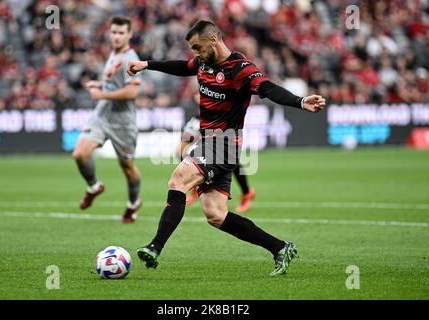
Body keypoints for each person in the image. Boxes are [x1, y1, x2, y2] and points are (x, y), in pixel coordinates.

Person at [127, 20, 326, 275]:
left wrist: (300, 101)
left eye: (197, 47)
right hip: (214, 144)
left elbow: (267, 88)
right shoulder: (203, 62)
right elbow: (182, 67)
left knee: (178, 179)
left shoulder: (240, 68)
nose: (195, 54)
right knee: (216, 214)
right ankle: (280, 248)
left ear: (213, 40)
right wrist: (147, 64)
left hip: (222, 143)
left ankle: (154, 247)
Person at [72, 16, 142, 224]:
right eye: (114, 32)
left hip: (123, 122)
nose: (117, 36)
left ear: (129, 34)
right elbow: (113, 82)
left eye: (121, 33)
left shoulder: (131, 58)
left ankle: (133, 203)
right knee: (79, 154)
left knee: (127, 167)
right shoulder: (113, 54)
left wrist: (101, 94)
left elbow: (131, 92)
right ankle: (94, 187)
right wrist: (99, 85)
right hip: (102, 114)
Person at [178, 112, 255, 212]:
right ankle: (197, 187)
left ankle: (246, 193)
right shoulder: (197, 114)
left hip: (223, 122)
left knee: (230, 161)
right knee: (188, 154)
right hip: (205, 120)